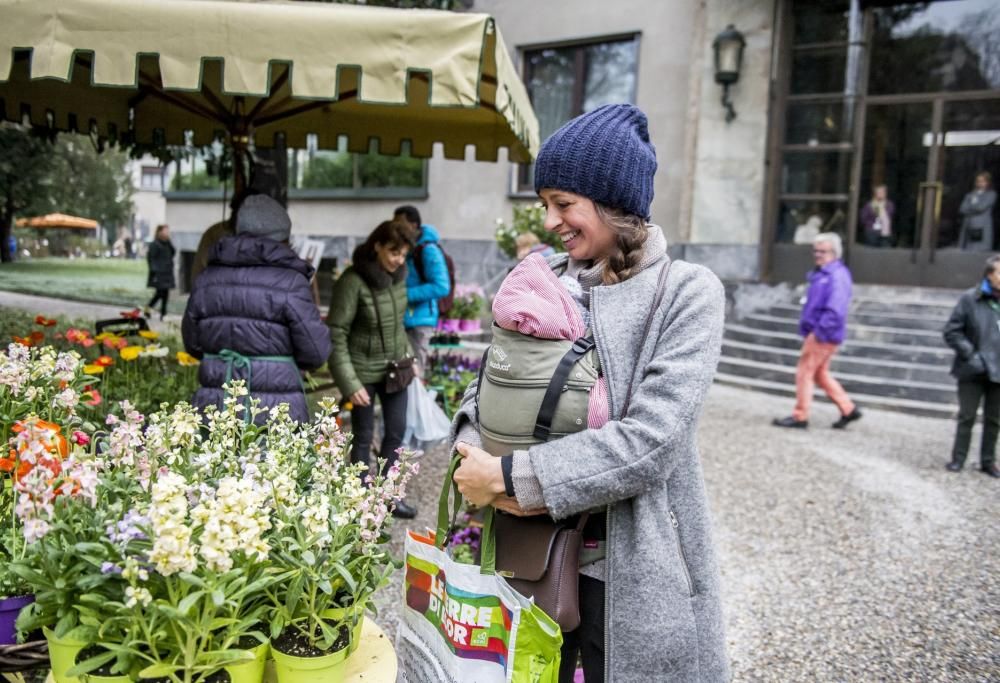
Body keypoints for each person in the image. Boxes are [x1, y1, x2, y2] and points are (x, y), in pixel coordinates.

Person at [448, 104, 730, 682]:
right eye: (545, 204)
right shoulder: (540, 279)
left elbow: (651, 444)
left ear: (613, 201)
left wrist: (510, 478)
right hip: (525, 554)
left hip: (627, 576)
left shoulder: (685, 294)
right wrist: (470, 450)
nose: (549, 220)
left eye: (563, 203)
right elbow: (484, 389)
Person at [181, 195, 331, 424]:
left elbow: (192, 344)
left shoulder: (206, 279)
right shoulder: (291, 282)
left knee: (216, 460)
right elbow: (316, 352)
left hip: (216, 405)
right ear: (283, 236)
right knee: (272, 460)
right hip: (275, 411)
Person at [327, 220, 418, 518]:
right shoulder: (352, 282)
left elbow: (398, 326)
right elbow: (336, 333)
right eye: (393, 252)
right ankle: (361, 498)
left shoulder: (399, 278)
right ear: (377, 246)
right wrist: (349, 383)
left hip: (395, 370)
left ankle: (389, 497)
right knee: (364, 436)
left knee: (397, 433)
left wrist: (409, 358)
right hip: (362, 372)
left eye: (403, 254)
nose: (398, 260)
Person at [773, 232, 862, 430]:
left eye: (823, 251)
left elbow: (835, 309)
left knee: (804, 372)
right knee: (820, 373)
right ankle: (848, 408)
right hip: (821, 331)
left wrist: (818, 332)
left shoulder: (836, 275)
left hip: (823, 334)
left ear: (835, 252)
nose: (818, 254)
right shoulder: (823, 274)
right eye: (815, 250)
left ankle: (800, 416)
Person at [942, 255, 1000, 478]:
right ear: (989, 275)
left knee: (994, 419)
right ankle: (958, 458)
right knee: (967, 415)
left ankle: (988, 461)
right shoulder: (970, 299)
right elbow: (952, 331)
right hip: (973, 368)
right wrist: (971, 355)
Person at [393, 205, 450, 369]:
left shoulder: (428, 250)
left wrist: (404, 294)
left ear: (413, 225)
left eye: (400, 223)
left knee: (414, 374)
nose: (395, 227)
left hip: (420, 321)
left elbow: (441, 286)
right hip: (405, 318)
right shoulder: (408, 248)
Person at [958, 171, 996, 251]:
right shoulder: (969, 195)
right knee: (967, 250)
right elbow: (962, 209)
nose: (980, 183)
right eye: (978, 181)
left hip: (982, 226)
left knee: (979, 250)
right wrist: (974, 208)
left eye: (983, 181)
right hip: (968, 225)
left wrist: (972, 205)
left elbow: (981, 208)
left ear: (987, 182)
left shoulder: (991, 194)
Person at [145, 224, 176, 321]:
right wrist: (154, 272)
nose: (167, 232)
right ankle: (148, 308)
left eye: (168, 230)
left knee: (165, 293)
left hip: (167, 272)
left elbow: (173, 252)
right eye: (165, 230)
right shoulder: (155, 244)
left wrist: (169, 241)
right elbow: (151, 259)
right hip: (159, 273)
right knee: (159, 293)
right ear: (159, 232)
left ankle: (162, 313)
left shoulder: (167, 243)